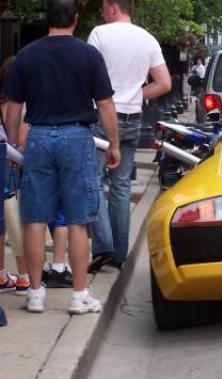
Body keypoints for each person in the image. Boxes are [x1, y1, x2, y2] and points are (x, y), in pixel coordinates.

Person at [4, 0, 121, 314]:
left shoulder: (27, 56)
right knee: (78, 218)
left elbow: (14, 106)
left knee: (35, 218)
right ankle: (79, 294)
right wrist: (114, 143)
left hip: (39, 136)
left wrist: (14, 142)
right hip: (76, 137)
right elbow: (106, 104)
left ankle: (35, 292)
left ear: (46, 20)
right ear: (75, 19)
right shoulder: (88, 54)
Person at [88, 0, 171, 272]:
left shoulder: (100, 34)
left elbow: (87, 76)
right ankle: (119, 254)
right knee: (122, 185)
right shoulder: (147, 39)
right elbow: (164, 83)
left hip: (102, 115)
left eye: (103, 6)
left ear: (113, 7)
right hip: (132, 118)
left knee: (93, 181)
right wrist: (137, 95)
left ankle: (104, 245)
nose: (101, 11)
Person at [0, 56, 30, 294]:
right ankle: (23, 276)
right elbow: (21, 141)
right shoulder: (21, 105)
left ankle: (1, 273)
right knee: (17, 220)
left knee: (1, 223)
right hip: (12, 166)